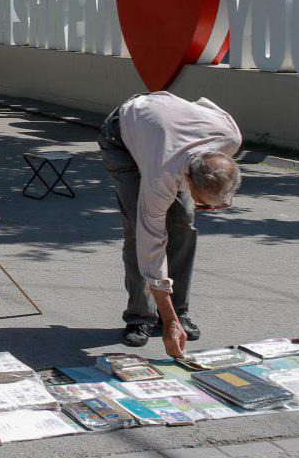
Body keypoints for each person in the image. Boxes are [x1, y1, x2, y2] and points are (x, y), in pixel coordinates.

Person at [98, 91, 242, 358]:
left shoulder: (230, 138)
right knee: (138, 231)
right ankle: (141, 316)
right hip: (122, 139)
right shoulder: (162, 176)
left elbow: (203, 104)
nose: (207, 208)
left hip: (163, 136)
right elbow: (150, 243)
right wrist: (169, 321)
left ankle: (179, 310)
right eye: (203, 202)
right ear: (187, 178)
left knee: (183, 223)